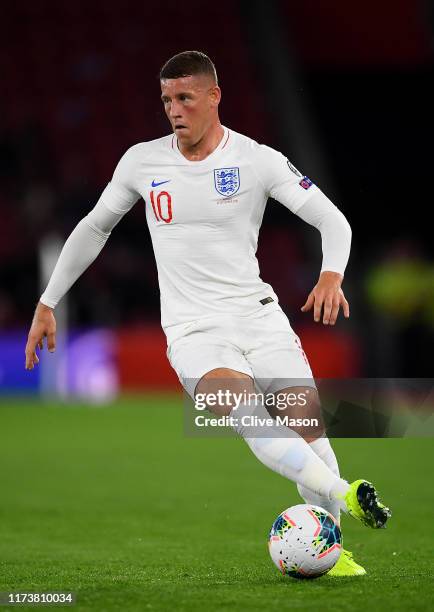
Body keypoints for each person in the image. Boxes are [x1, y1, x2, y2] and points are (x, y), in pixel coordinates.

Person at [25, 51, 391, 576]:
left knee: (315, 441)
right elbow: (93, 228)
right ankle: (348, 495)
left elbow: (333, 221)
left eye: (184, 98)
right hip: (194, 333)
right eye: (166, 100)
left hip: (260, 319)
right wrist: (47, 301)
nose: (173, 110)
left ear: (214, 96)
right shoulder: (141, 162)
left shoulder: (257, 160)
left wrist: (331, 274)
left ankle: (329, 552)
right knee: (250, 419)